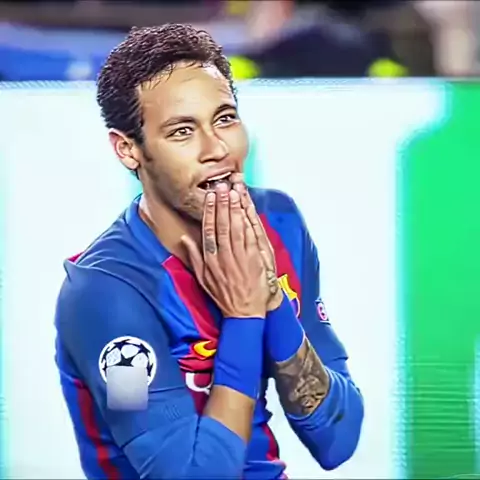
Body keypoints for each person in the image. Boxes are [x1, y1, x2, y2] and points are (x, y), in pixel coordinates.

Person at [54, 23, 364, 479]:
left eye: (225, 118)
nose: (217, 148)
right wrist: (243, 317)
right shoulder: (103, 294)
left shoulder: (278, 224)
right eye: (182, 131)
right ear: (128, 150)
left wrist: (271, 299)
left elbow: (339, 439)